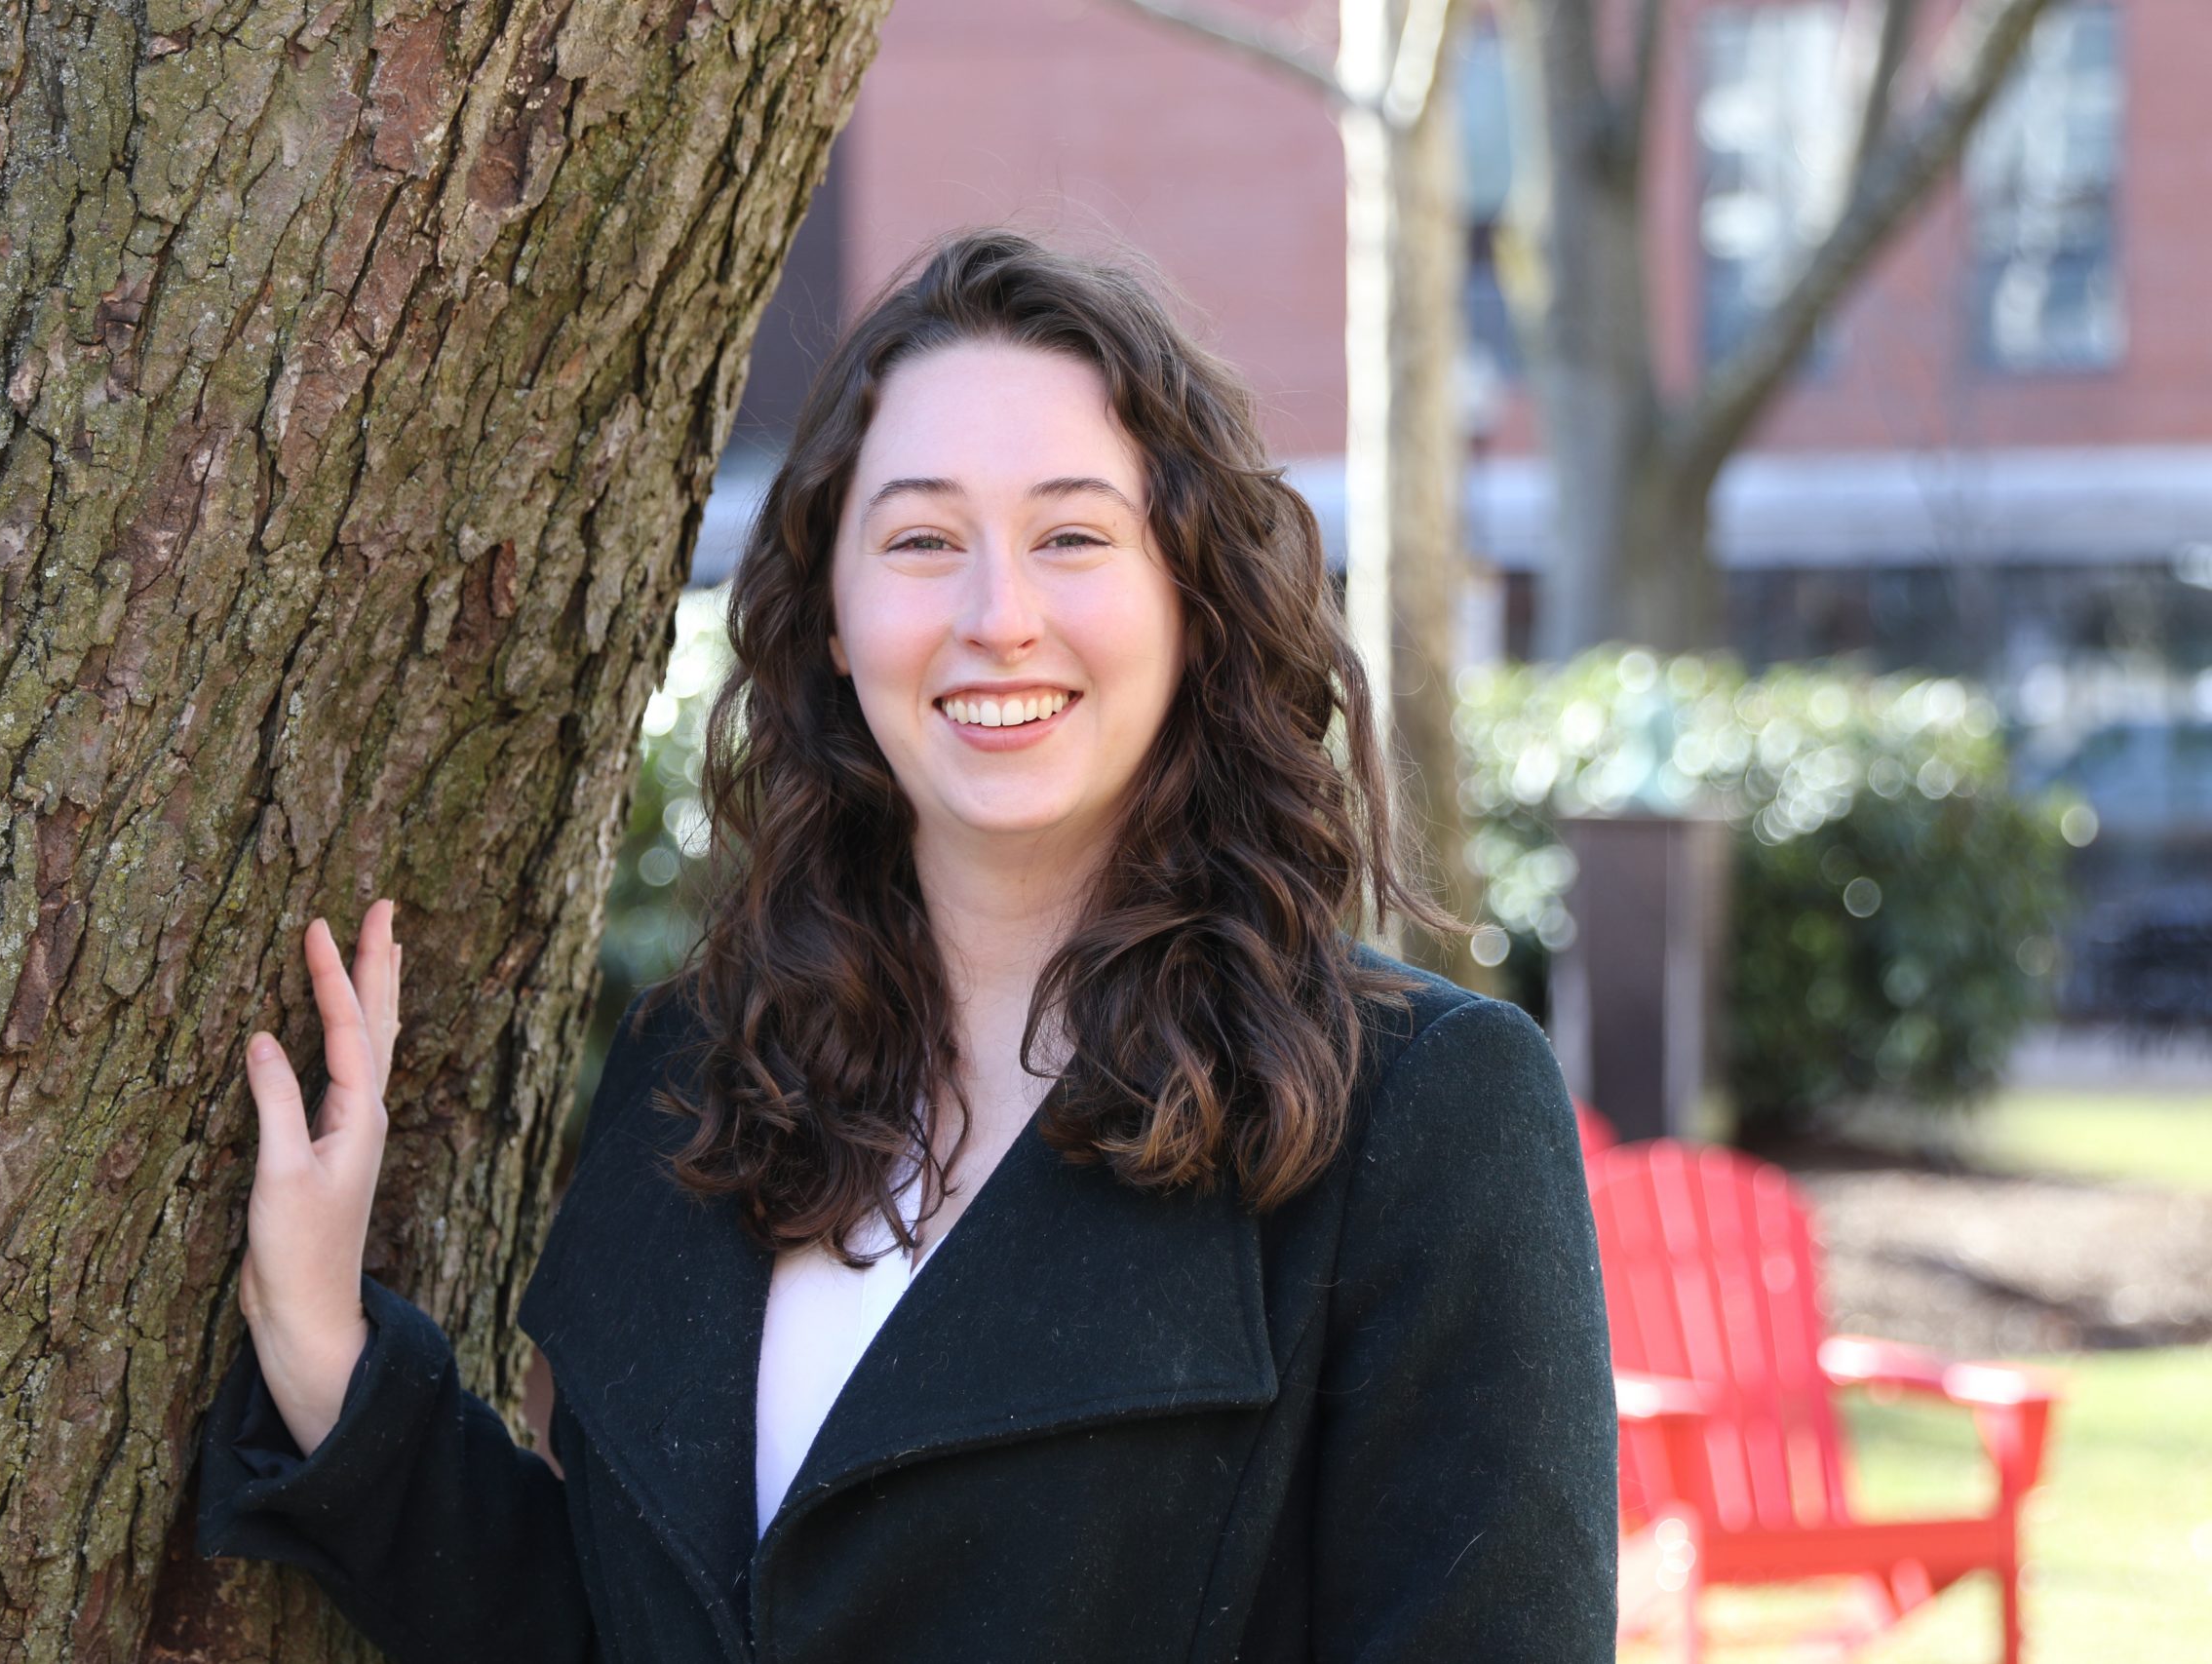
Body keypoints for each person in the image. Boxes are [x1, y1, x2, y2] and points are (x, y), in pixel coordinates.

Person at [194, 227, 1618, 1662]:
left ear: (1192, 598)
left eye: (1072, 535)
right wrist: (324, 1347)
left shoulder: (1418, 1110)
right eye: (923, 540)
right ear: (830, 617)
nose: (998, 619)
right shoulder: (700, 1074)